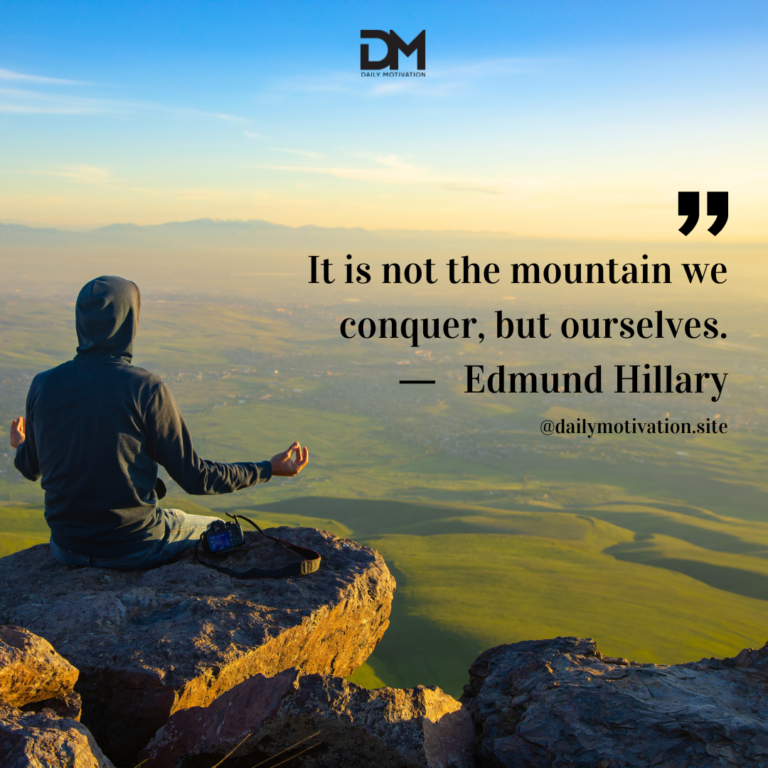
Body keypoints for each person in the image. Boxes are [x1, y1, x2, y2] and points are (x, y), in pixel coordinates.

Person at [9, 275, 308, 570]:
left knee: (174, 514)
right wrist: (269, 469)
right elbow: (196, 478)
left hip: (66, 548)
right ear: (129, 320)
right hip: (133, 548)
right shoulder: (144, 388)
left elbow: (29, 467)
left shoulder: (43, 385)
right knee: (219, 527)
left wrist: (22, 442)